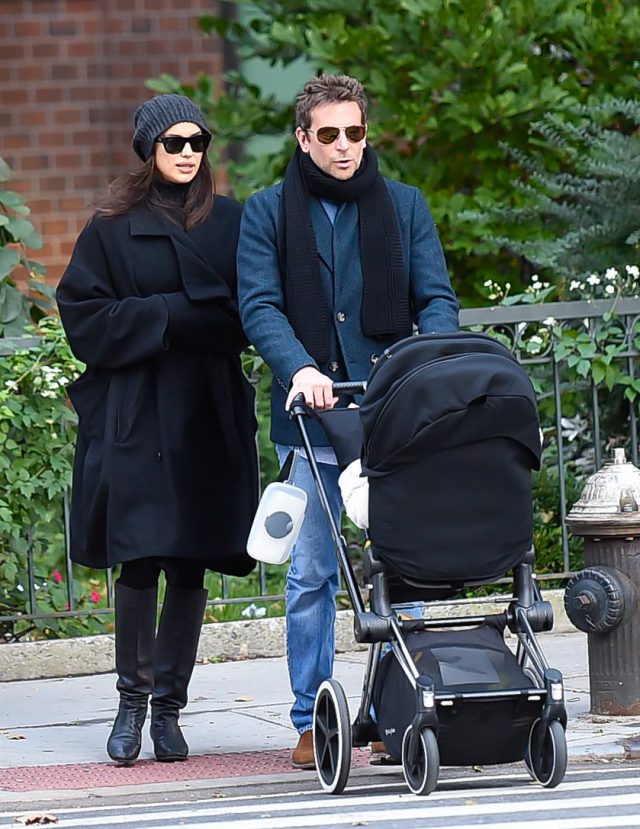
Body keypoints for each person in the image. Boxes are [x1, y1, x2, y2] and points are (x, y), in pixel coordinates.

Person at [237, 74, 459, 768]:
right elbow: (259, 305)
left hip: (390, 414)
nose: (343, 146)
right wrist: (300, 368)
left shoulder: (404, 204)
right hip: (311, 421)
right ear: (303, 138)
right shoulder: (267, 212)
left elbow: (437, 300)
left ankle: (401, 709)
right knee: (310, 575)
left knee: (404, 569)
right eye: (329, 134)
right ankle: (312, 719)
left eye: (354, 132)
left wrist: (424, 368)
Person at [56, 94, 259, 766]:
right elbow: (83, 316)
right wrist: (172, 315)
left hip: (206, 408)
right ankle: (131, 705)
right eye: (174, 143)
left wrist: (161, 314)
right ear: (149, 149)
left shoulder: (229, 221)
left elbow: (246, 312)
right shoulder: (111, 228)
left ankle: (170, 710)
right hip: (137, 412)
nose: (187, 153)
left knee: (190, 558)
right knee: (140, 555)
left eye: (197, 142)